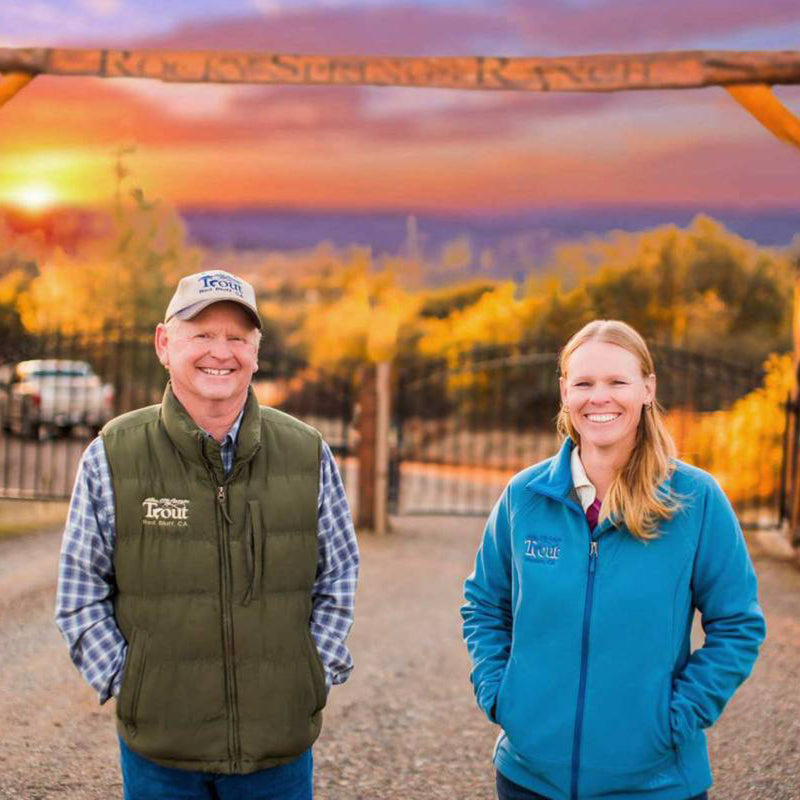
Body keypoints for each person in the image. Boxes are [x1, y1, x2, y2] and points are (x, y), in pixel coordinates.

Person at [56, 269, 359, 800]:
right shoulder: (112, 454)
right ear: (164, 343)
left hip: (277, 754)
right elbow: (80, 594)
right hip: (160, 756)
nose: (221, 352)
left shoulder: (308, 453)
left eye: (237, 338)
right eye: (201, 333)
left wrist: (310, 673)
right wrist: (134, 687)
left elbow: (338, 576)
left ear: (256, 353)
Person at [461, 319, 765, 800]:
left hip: (656, 783)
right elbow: (483, 603)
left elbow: (738, 624)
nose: (598, 397)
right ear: (564, 392)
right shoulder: (524, 496)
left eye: (617, 382)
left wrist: (674, 719)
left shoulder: (696, 499)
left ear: (647, 388)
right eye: (583, 383)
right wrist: (500, 695)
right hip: (528, 780)